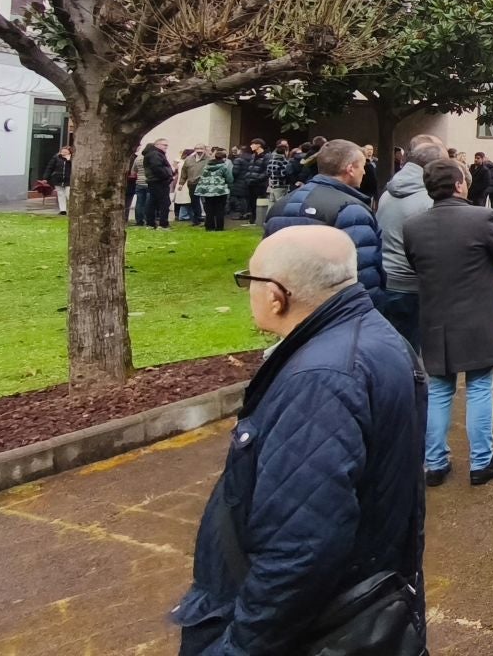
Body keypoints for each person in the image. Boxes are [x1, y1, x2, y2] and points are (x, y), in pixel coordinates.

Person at [171, 226, 424, 654]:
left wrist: (238, 646)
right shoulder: (371, 336)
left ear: (276, 294)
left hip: (324, 623)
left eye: (248, 281)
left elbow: (301, 546)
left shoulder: (322, 380)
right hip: (365, 599)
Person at [403, 157, 493, 488]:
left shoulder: (413, 225)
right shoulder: (482, 217)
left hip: (435, 317)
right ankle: (481, 461)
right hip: (477, 317)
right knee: (479, 387)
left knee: (440, 389)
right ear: (459, 184)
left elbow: (416, 265)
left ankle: (435, 463)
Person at [263, 139, 386, 309]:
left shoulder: (280, 205)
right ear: (350, 169)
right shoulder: (351, 210)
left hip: (288, 309)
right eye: (362, 166)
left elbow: (268, 264)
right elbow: (364, 272)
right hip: (337, 313)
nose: (364, 172)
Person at [375, 138, 446, 346]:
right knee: (410, 356)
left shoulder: (389, 191)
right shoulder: (428, 200)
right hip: (411, 286)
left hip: (385, 279)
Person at [194, 147, 234, 231]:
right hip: (220, 190)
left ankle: (209, 227)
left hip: (207, 190)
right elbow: (229, 178)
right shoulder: (224, 167)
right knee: (220, 209)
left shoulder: (206, 167)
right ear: (224, 158)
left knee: (209, 209)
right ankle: (219, 227)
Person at [141, 138, 174, 229]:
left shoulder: (154, 153)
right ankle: (163, 224)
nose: (166, 147)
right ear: (157, 145)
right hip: (159, 181)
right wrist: (167, 177)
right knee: (164, 203)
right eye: (164, 145)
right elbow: (157, 167)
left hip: (155, 181)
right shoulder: (155, 154)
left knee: (153, 202)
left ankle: (151, 223)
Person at [179, 145, 207, 225]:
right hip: (192, 183)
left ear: (205, 150)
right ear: (194, 150)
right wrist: (181, 183)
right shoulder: (188, 159)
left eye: (201, 149)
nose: (199, 151)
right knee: (194, 202)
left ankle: (208, 219)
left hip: (204, 184)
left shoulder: (209, 159)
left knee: (205, 202)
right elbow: (184, 172)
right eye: (197, 149)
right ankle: (197, 219)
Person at [45, 146, 72, 216]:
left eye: (65, 152)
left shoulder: (72, 158)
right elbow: (50, 167)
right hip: (58, 179)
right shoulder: (56, 158)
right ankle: (63, 210)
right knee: (60, 194)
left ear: (69, 152)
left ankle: (72, 209)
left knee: (68, 194)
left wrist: (69, 160)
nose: (63, 153)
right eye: (62, 152)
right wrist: (46, 177)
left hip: (69, 179)